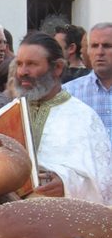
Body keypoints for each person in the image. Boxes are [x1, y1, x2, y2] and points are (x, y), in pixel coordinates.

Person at [13, 31, 111, 205]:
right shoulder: (6, 115)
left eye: (31, 64)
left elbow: (103, 184)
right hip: (9, 222)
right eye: (19, 64)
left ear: (57, 67)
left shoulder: (84, 118)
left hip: (63, 223)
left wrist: (66, 184)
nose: (22, 72)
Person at [63, 22, 112, 143]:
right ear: (88, 51)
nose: (100, 52)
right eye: (94, 46)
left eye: (107, 46)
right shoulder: (69, 93)